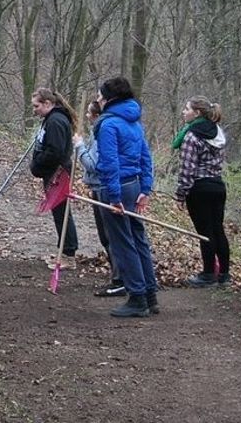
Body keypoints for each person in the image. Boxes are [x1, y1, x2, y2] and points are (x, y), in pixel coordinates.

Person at [94, 76, 158, 317]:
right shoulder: (134, 122)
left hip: (118, 188)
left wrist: (113, 196)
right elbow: (146, 158)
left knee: (123, 242)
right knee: (138, 238)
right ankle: (150, 294)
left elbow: (110, 163)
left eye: (100, 95)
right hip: (134, 185)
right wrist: (145, 188)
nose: (97, 99)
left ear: (110, 98)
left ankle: (138, 297)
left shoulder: (108, 124)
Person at [173, 96, 230, 287]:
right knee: (218, 229)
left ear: (197, 113)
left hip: (200, 189)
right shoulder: (218, 134)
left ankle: (207, 274)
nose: (183, 111)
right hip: (218, 186)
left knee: (205, 232)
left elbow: (187, 169)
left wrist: (181, 194)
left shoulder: (192, 136)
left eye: (187, 109)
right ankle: (224, 274)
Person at [74, 99, 123, 297]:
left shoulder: (101, 133)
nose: (86, 116)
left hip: (104, 188)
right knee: (108, 236)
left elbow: (93, 164)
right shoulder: (105, 130)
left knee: (110, 236)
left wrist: (79, 146)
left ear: (96, 115)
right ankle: (118, 277)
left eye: (88, 112)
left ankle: (120, 279)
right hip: (101, 187)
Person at [29, 88, 79, 269]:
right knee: (58, 212)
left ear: (48, 104)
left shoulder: (56, 122)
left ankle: (68, 254)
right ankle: (63, 251)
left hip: (59, 173)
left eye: (37, 106)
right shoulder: (49, 120)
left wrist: (38, 163)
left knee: (62, 213)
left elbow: (55, 151)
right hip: (52, 172)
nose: (34, 110)